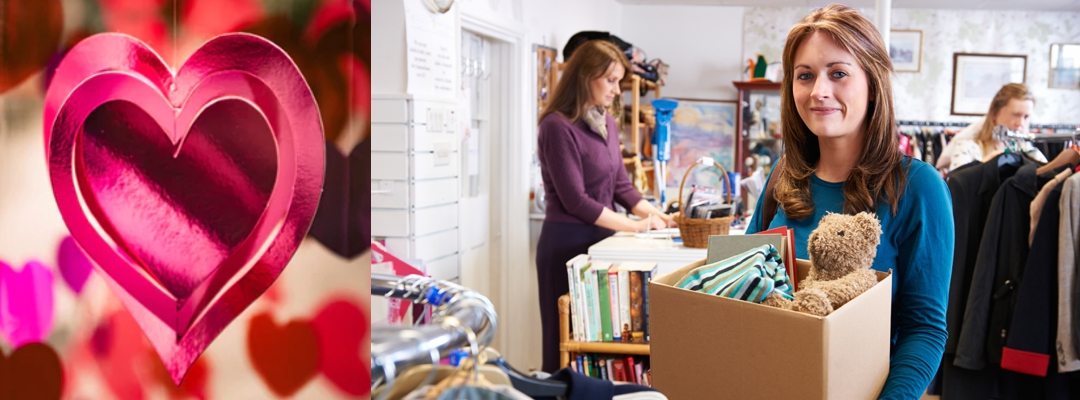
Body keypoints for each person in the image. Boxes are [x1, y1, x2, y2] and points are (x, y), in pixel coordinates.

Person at [744, 5, 954, 399]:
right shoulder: (782, 174)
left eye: (838, 73)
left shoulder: (919, 187)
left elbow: (924, 329)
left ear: (873, 83)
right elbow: (742, 289)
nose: (819, 91)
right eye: (805, 75)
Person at [535, 39, 672, 373]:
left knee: (599, 341)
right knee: (563, 341)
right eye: (610, 80)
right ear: (585, 77)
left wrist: (659, 216)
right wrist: (637, 226)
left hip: (600, 244)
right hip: (565, 244)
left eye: (619, 81)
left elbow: (621, 186)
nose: (616, 90)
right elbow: (576, 200)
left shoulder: (606, 123)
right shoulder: (557, 126)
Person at [935, 83, 1047, 172]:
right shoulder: (968, 149)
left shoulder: (1031, 153)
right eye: (1016, 115)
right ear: (994, 113)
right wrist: (986, 164)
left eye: (1026, 117)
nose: (1021, 123)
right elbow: (957, 189)